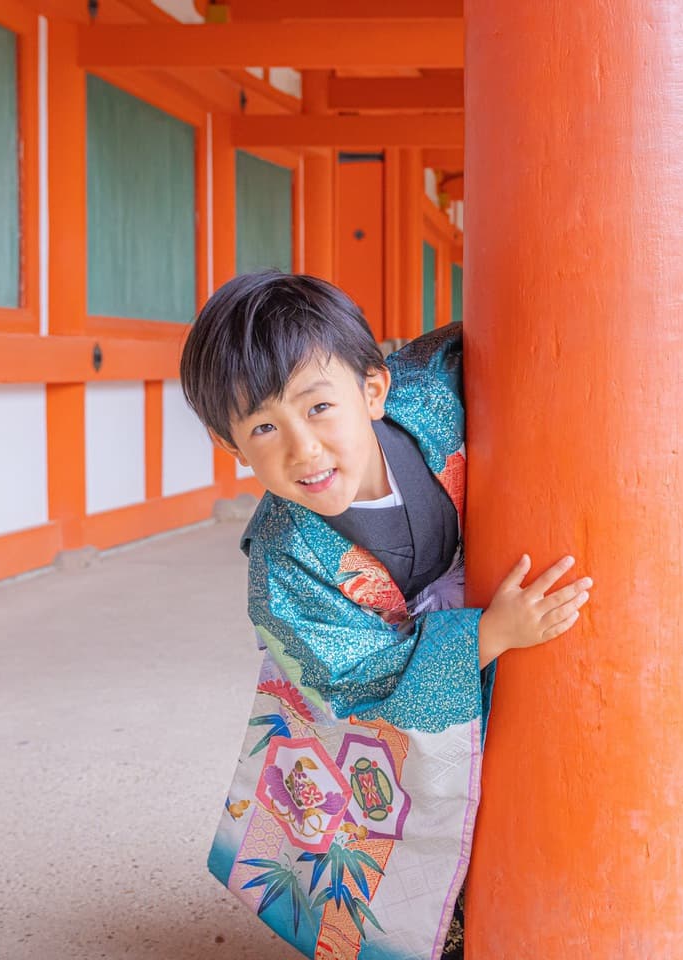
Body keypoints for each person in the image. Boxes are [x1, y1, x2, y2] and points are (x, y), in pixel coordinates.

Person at [181, 272, 592, 959]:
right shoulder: (283, 566)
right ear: (234, 447)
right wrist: (488, 634)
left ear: (373, 391)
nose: (303, 448)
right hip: (376, 673)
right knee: (381, 826)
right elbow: (358, 676)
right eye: (263, 427)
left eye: (318, 408)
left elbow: (495, 336)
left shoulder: (426, 398)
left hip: (464, 606)